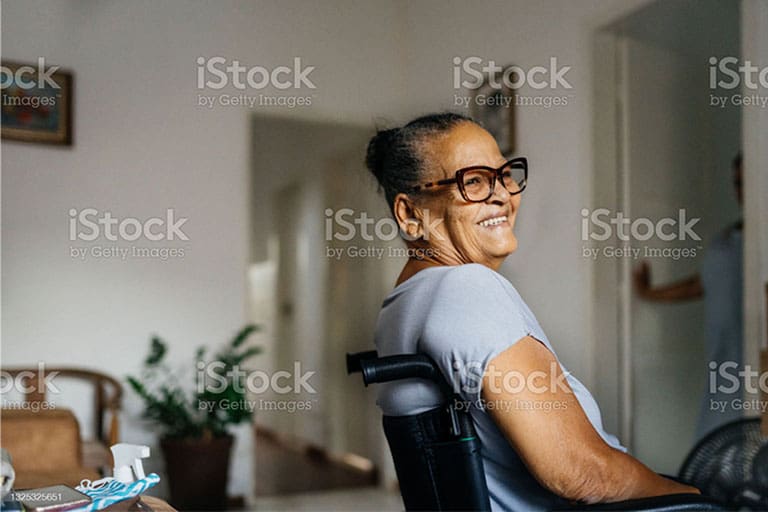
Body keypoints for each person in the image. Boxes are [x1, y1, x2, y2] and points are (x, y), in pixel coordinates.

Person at [366, 112, 699, 511]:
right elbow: (582, 472)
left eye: (504, 175)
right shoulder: (466, 287)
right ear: (410, 214)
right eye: (473, 181)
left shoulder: (401, 305)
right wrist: (694, 499)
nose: (503, 195)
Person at [634, 153, 743, 440]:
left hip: (755, 367)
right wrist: (649, 292)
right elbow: (701, 284)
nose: (741, 190)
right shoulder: (727, 239)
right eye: (737, 182)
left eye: (747, 180)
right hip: (724, 365)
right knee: (717, 444)